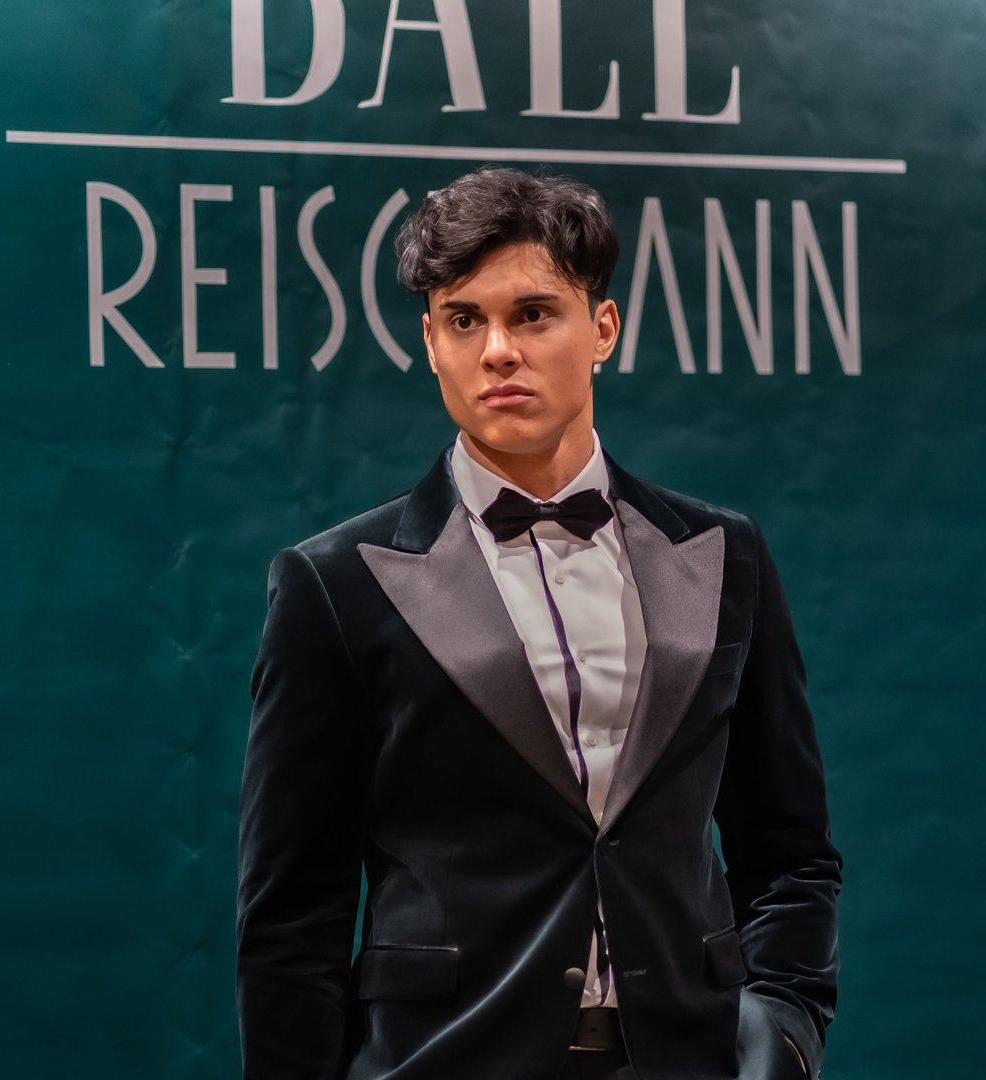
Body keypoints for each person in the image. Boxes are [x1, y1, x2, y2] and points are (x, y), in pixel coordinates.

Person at [236, 168, 841, 1080]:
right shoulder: (335, 584)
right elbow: (291, 916)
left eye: (532, 314)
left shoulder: (726, 554)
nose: (497, 351)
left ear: (602, 328)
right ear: (430, 342)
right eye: (463, 320)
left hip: (691, 1059)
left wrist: (785, 1028)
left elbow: (791, 854)